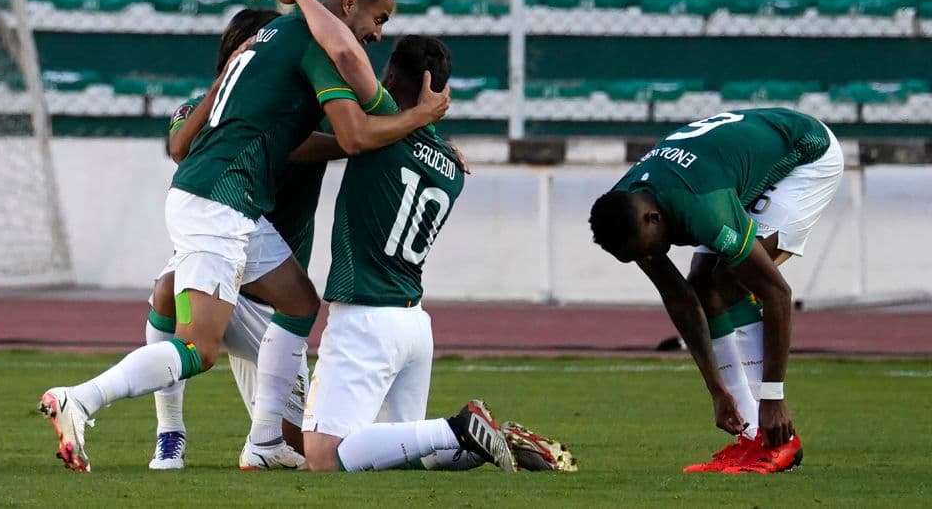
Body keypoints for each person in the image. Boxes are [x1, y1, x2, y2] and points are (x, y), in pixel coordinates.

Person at [39, 0, 449, 473]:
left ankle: (264, 441)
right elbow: (353, 133)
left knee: (300, 301)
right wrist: (419, 120)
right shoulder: (314, 44)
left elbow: (203, 141)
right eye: (378, 18)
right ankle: (83, 400)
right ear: (349, 4)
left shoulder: (272, 38)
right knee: (198, 349)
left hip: (233, 206)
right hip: (220, 202)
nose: (377, 33)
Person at [298, 34, 574, 475]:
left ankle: (460, 429)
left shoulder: (379, 125)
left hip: (365, 315)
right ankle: (489, 441)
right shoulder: (453, 167)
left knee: (324, 455)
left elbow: (352, 88)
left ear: (391, 79)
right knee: (403, 456)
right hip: (413, 323)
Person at [589, 108, 843, 474]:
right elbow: (681, 299)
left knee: (730, 280)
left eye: (647, 251)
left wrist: (774, 397)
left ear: (654, 219)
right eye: (637, 259)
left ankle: (779, 441)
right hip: (721, 171)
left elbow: (777, 294)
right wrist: (717, 391)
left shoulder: (703, 209)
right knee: (704, 284)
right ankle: (753, 436)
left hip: (806, 153)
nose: (649, 259)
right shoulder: (627, 213)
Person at [146, 7, 319, 470]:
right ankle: (169, 431)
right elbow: (179, 147)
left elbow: (340, 136)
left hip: (272, 307)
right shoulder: (204, 112)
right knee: (167, 290)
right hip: (224, 269)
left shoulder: (302, 111)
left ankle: (264, 444)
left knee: (310, 450)